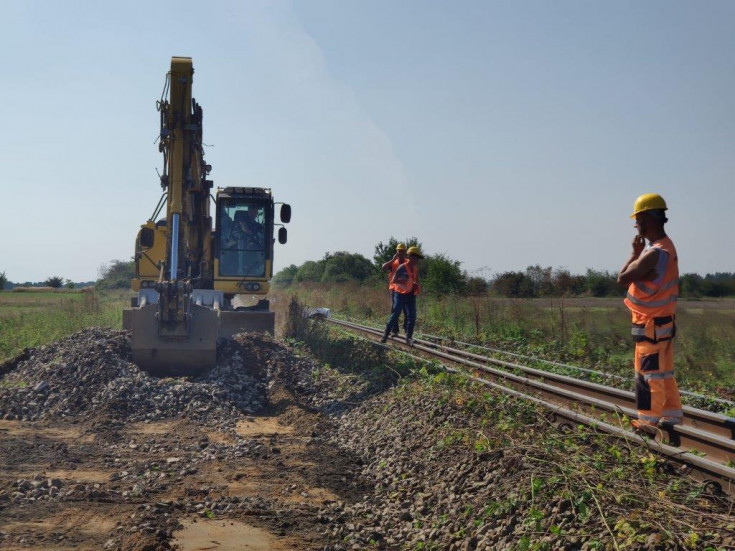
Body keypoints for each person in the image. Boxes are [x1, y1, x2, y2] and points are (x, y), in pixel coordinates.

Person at [617, 193, 683, 434]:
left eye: (637, 220)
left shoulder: (654, 253)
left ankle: (647, 423)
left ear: (646, 219)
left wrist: (634, 253)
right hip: (662, 323)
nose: (636, 225)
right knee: (663, 372)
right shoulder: (667, 247)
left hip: (650, 326)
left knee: (647, 375)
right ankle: (672, 414)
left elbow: (622, 278)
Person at [381, 246, 423, 345]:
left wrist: (416, 287)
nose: (416, 260)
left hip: (411, 295)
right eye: (415, 257)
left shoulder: (415, 269)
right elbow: (394, 280)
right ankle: (385, 335)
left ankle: (409, 338)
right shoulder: (402, 267)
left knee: (412, 316)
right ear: (410, 256)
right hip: (399, 294)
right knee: (395, 314)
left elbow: (415, 281)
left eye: (418, 258)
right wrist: (402, 281)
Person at [381, 243, 408, 336]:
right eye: (399, 251)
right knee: (394, 309)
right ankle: (395, 329)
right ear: (396, 252)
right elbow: (383, 268)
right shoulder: (393, 263)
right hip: (394, 289)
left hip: (406, 290)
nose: (400, 253)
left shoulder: (407, 262)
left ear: (405, 252)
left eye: (402, 251)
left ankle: (406, 328)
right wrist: (393, 259)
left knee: (406, 309)